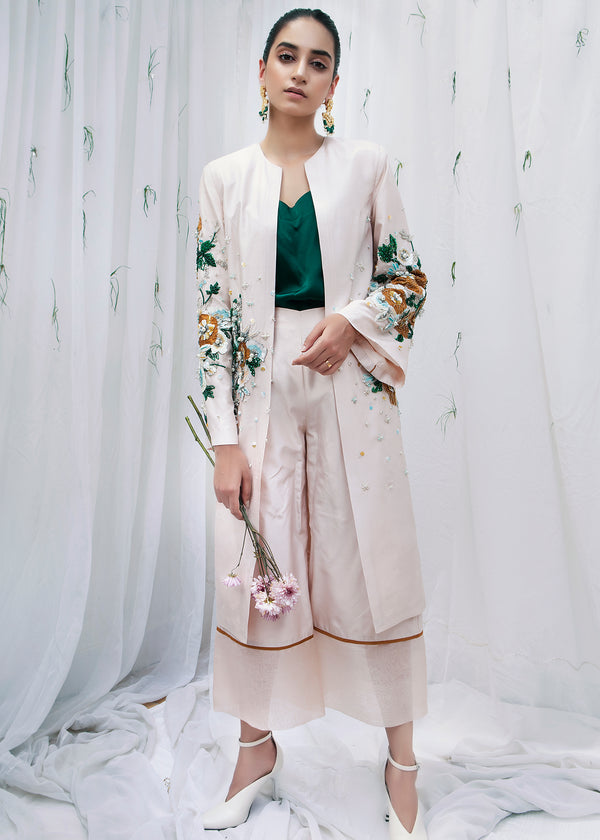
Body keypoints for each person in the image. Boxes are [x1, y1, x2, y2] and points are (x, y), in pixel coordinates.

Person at [195, 8, 428, 838]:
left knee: (372, 567)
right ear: (261, 71)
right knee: (261, 573)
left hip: (349, 390)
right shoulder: (224, 178)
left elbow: (408, 277)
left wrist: (353, 321)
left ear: (334, 83)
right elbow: (214, 316)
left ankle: (402, 760)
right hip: (260, 399)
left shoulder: (365, 165)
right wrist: (224, 440)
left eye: (318, 61)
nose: (300, 71)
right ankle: (254, 748)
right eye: (287, 56)